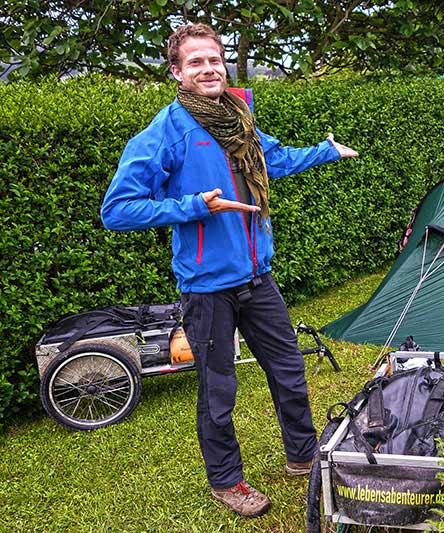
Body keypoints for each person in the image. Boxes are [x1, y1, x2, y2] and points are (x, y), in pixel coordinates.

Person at [101, 22, 358, 518]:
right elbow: (118, 210)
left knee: (289, 371)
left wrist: (327, 150)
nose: (208, 68)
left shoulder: (239, 119)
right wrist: (196, 205)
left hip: (258, 277)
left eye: (213, 59)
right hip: (207, 288)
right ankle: (226, 480)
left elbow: (274, 160)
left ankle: (304, 456)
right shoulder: (166, 133)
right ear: (177, 72)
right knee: (219, 389)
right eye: (195, 62)